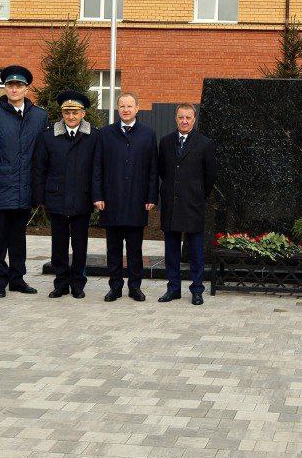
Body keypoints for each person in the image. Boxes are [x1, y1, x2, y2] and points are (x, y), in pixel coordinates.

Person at [0, 65, 48, 298]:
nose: (14, 89)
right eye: (10, 85)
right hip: (0, 187)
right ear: (5, 87)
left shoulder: (40, 116)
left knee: (19, 237)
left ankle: (17, 278)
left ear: (27, 89)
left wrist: (40, 190)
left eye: (19, 85)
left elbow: (42, 156)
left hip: (25, 187)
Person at [31, 90, 100, 299]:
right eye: (67, 112)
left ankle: (78, 283)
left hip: (82, 197)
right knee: (58, 244)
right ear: (62, 113)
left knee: (80, 245)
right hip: (56, 197)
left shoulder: (94, 136)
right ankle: (61, 283)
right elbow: (39, 168)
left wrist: (97, 196)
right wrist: (39, 198)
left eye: (75, 112)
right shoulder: (48, 136)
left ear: (83, 114)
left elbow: (98, 169)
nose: (71, 116)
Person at [93, 92, 159, 302]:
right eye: (122, 106)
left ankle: (134, 287)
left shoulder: (148, 135)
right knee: (113, 249)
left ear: (137, 109)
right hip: (111, 202)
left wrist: (151, 197)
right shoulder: (105, 134)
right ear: (117, 109)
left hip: (137, 202)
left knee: (134, 249)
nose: (126, 109)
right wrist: (98, 196)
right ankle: (115, 287)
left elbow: (152, 169)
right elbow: (97, 168)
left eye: (130, 106)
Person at [156, 103, 217, 305]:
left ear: (194, 119)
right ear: (176, 118)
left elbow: (210, 177)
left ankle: (197, 290)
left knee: (195, 251)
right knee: (171, 250)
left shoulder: (205, 144)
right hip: (171, 205)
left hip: (193, 205)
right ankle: (173, 288)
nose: (184, 121)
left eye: (188, 118)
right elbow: (163, 172)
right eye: (181, 117)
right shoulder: (165, 142)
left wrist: (198, 195)